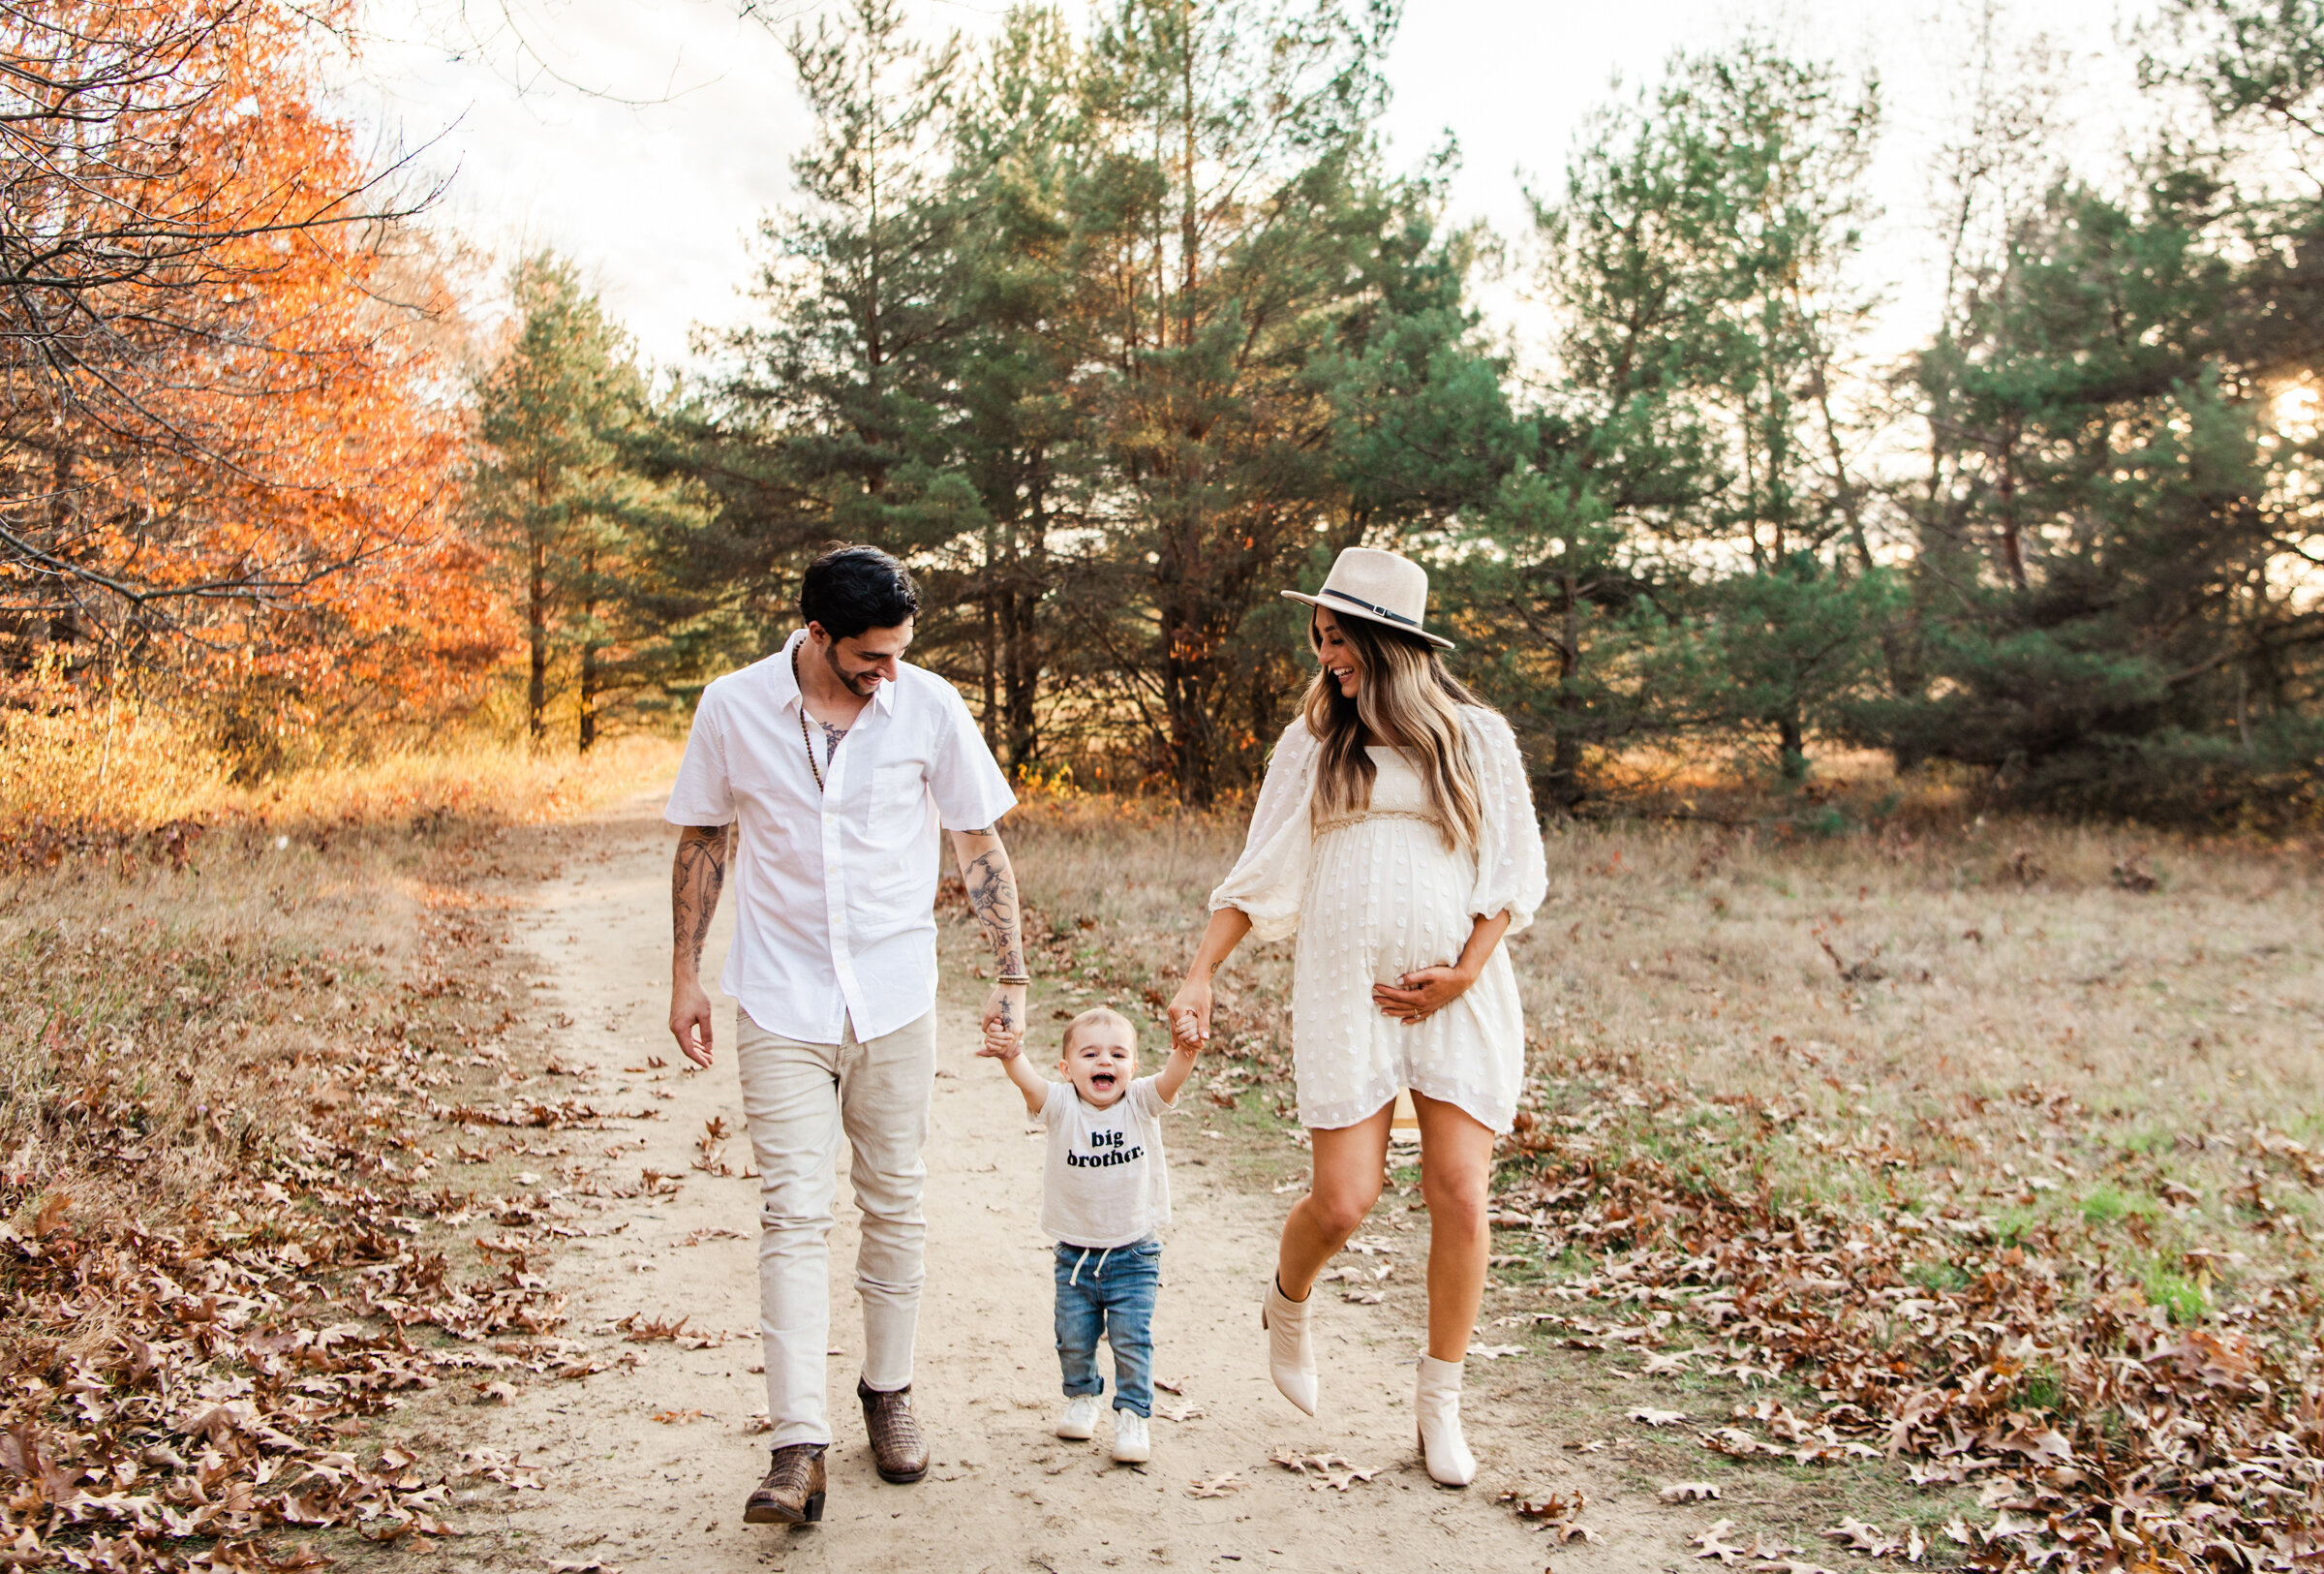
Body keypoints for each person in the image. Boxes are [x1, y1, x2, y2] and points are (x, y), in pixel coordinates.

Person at [1165, 546, 1547, 1488]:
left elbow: (1512, 872)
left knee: (1459, 1190)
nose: (1327, 654)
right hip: (1345, 989)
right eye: (1322, 638)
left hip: (1459, 992)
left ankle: (1439, 1405)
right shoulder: (1312, 742)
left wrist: (1464, 970)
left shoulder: (1475, 735)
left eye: (1340, 639)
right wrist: (1200, 970)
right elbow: (1259, 872)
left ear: (1389, 642)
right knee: (1343, 1200)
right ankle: (1287, 1298)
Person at [664, 544, 1030, 1528]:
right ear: (816, 634)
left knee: (896, 1199)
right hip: (779, 997)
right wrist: (685, 971)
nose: (890, 672)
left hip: (896, 995)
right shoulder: (733, 707)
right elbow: (703, 836)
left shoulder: (928, 706)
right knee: (792, 1209)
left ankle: (889, 1388)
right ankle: (796, 1443)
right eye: (871, 654)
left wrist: (1010, 976)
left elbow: (978, 842)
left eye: (901, 651)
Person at [982, 1005, 1198, 1466]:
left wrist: (1186, 1050)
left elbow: (1173, 1078)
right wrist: (1010, 1054)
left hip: (1133, 1253)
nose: (1106, 1062)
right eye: (1091, 1054)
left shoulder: (1141, 1100)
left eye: (1118, 1054)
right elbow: (1028, 1082)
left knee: (1131, 1338)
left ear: (1133, 1067)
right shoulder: (1061, 1104)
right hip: (1075, 1256)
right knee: (1073, 1337)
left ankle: (1134, 1416)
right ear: (1067, 1068)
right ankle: (1083, 1397)